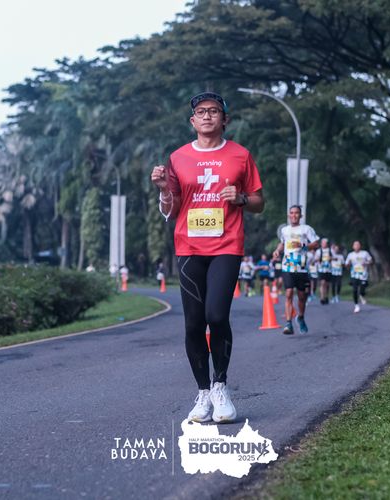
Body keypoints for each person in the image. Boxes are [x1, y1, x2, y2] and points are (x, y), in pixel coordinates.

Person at [150, 91, 264, 424]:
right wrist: (163, 188)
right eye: (201, 112)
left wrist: (241, 198)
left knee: (216, 315)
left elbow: (259, 202)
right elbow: (171, 210)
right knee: (193, 323)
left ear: (224, 119)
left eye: (214, 111)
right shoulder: (178, 157)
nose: (207, 116)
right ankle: (202, 393)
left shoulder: (240, 155)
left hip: (226, 244)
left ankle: (220, 386)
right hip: (189, 247)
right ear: (193, 121)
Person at [272, 206, 319, 335]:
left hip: (301, 267)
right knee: (288, 293)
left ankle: (301, 317)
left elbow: (316, 243)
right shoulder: (285, 230)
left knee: (302, 296)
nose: (294, 215)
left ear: (300, 215)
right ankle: (288, 323)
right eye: (291, 213)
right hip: (287, 266)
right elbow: (282, 243)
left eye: (296, 213)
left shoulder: (306, 229)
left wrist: (303, 245)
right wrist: (277, 251)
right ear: (289, 215)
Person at [345, 241, 374, 313]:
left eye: (358, 245)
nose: (357, 246)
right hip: (354, 275)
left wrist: (366, 263)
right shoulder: (350, 255)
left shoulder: (365, 253)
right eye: (355, 245)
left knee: (362, 289)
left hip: (363, 275)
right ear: (353, 247)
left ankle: (361, 295)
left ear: (360, 246)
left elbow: (371, 261)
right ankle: (356, 305)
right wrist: (348, 264)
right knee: (354, 290)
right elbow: (346, 265)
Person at [316, 238, 333, 305]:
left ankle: (326, 296)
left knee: (327, 284)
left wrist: (331, 258)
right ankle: (322, 297)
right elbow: (316, 258)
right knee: (322, 283)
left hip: (328, 269)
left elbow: (335, 258)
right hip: (321, 269)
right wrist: (318, 259)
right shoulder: (318, 251)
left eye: (325, 243)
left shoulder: (331, 250)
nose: (324, 244)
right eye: (323, 243)